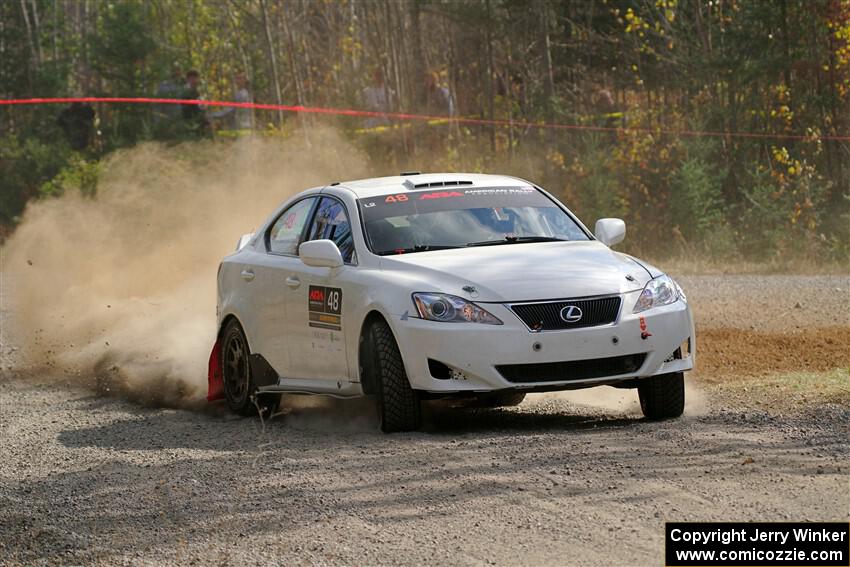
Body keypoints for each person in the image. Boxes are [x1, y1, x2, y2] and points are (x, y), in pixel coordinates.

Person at [180, 69, 210, 137]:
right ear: (188, 79)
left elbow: (202, 104)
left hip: (197, 117)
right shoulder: (184, 90)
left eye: (196, 78)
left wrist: (204, 106)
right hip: (187, 117)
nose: (194, 80)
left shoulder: (198, 90)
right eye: (192, 78)